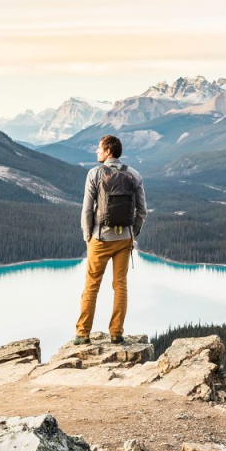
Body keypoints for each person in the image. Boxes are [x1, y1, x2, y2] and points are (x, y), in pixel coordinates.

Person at [75, 134, 147, 345]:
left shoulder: (95, 173)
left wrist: (87, 235)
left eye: (99, 149)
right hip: (124, 239)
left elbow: (87, 209)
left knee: (91, 285)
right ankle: (116, 333)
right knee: (120, 285)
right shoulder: (134, 174)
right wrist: (132, 232)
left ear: (108, 151)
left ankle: (82, 333)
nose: (97, 152)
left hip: (100, 238)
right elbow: (142, 210)